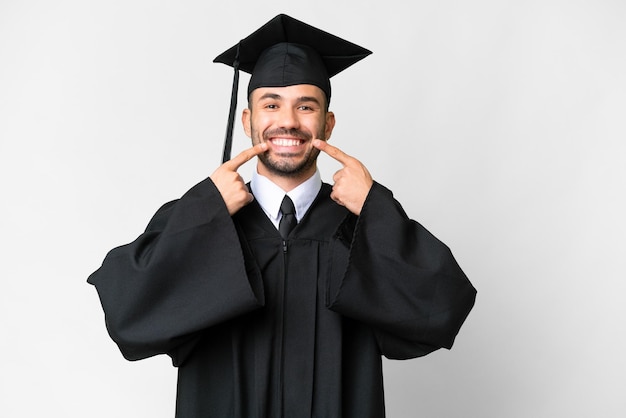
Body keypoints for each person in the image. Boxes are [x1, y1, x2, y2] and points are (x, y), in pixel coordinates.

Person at [88, 14, 477, 418]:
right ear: (248, 121)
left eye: (305, 106)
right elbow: (127, 314)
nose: (288, 121)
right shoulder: (203, 220)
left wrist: (376, 210)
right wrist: (205, 211)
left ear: (326, 123)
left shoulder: (359, 223)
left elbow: (443, 309)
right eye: (271, 104)